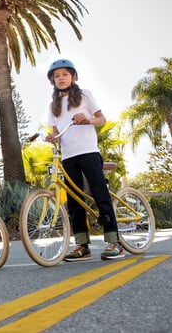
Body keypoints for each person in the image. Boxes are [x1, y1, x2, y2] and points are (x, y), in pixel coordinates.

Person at [46, 59, 124, 261]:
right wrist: (52, 137)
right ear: (52, 80)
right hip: (68, 156)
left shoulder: (84, 95)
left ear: (73, 77)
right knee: (74, 201)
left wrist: (88, 120)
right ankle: (82, 246)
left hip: (89, 152)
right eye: (57, 76)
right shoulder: (52, 106)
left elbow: (102, 119)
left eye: (65, 74)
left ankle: (114, 242)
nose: (61, 78)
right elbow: (55, 132)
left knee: (100, 194)